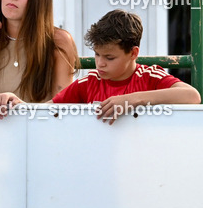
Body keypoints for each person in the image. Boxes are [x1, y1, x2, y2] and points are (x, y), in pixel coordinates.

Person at [13, 10, 199, 123]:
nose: (100, 63)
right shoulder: (88, 83)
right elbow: (44, 111)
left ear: (133, 53)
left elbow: (192, 96)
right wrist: (16, 103)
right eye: (97, 54)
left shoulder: (150, 76)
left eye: (110, 57)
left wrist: (132, 100)